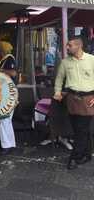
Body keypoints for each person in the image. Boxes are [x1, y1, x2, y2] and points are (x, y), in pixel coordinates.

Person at [53, 36, 94, 170]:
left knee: (81, 129)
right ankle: (87, 154)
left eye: (70, 45)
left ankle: (75, 157)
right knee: (79, 129)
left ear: (79, 46)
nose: (67, 47)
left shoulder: (91, 59)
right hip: (71, 98)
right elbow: (59, 79)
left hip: (88, 98)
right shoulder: (65, 62)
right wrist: (58, 92)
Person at [0, 41, 17, 154]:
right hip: (4, 92)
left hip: (8, 92)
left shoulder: (9, 59)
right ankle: (9, 143)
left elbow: (13, 73)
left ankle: (6, 145)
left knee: (4, 118)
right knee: (5, 119)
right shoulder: (4, 60)